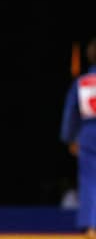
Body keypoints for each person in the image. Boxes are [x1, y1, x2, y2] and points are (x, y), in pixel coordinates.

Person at [61, 37, 96, 237]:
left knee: (90, 180)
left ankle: (92, 227)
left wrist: (71, 138)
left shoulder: (82, 82)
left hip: (88, 134)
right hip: (89, 131)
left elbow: (71, 113)